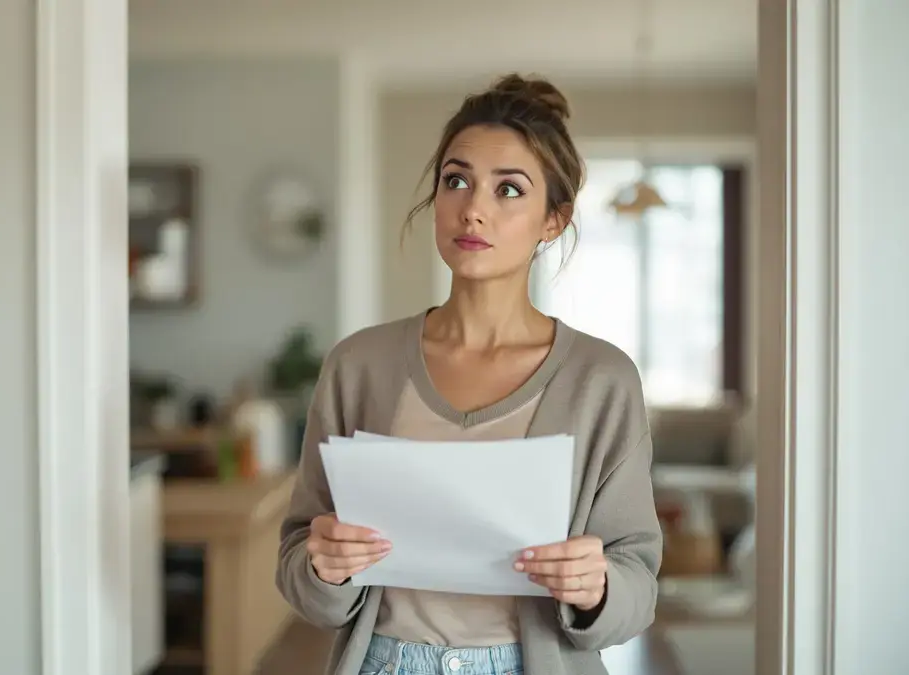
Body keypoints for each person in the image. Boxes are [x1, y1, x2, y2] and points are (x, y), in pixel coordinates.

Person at [275, 73, 662, 675]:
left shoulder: (602, 380)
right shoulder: (357, 366)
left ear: (553, 220)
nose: (473, 208)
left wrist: (597, 585)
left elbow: (637, 583)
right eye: (456, 181)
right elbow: (301, 562)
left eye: (509, 190)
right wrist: (324, 562)